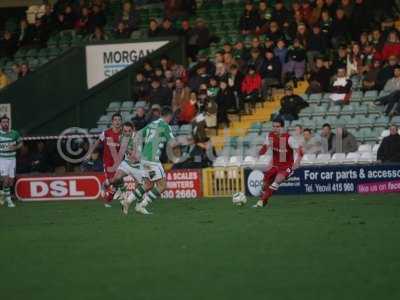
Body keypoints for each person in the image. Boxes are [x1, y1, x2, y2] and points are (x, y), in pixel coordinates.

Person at [122, 107, 176, 214]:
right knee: (162, 186)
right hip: (153, 160)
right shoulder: (165, 126)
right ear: (169, 116)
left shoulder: (152, 124)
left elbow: (137, 135)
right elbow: (173, 143)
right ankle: (142, 205)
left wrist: (135, 152)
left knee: (148, 184)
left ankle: (128, 201)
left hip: (144, 159)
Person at [254, 117, 303, 208]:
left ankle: (261, 202)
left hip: (286, 166)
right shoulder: (270, 136)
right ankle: (264, 198)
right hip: (275, 165)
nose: (275, 128)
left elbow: (300, 151)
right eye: (274, 126)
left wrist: (297, 162)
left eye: (278, 126)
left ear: (282, 127)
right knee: (264, 186)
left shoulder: (289, 138)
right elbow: (265, 147)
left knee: (277, 180)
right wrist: (259, 153)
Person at [90, 113, 122, 208]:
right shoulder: (106, 133)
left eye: (119, 120)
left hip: (119, 162)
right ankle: (105, 185)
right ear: (112, 122)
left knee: (117, 182)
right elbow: (97, 142)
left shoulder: (123, 134)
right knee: (115, 181)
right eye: (115, 120)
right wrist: (90, 153)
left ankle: (107, 200)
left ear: (121, 122)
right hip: (108, 162)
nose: (117, 122)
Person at [0, 115, 22, 208]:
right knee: (5, 179)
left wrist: (15, 147)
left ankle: (2, 193)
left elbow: (20, 143)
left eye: (6, 122)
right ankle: (9, 201)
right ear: (1, 123)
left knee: (11, 181)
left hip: (12, 159)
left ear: (9, 123)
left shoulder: (14, 133)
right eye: (3, 122)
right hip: (2, 159)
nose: (5, 123)